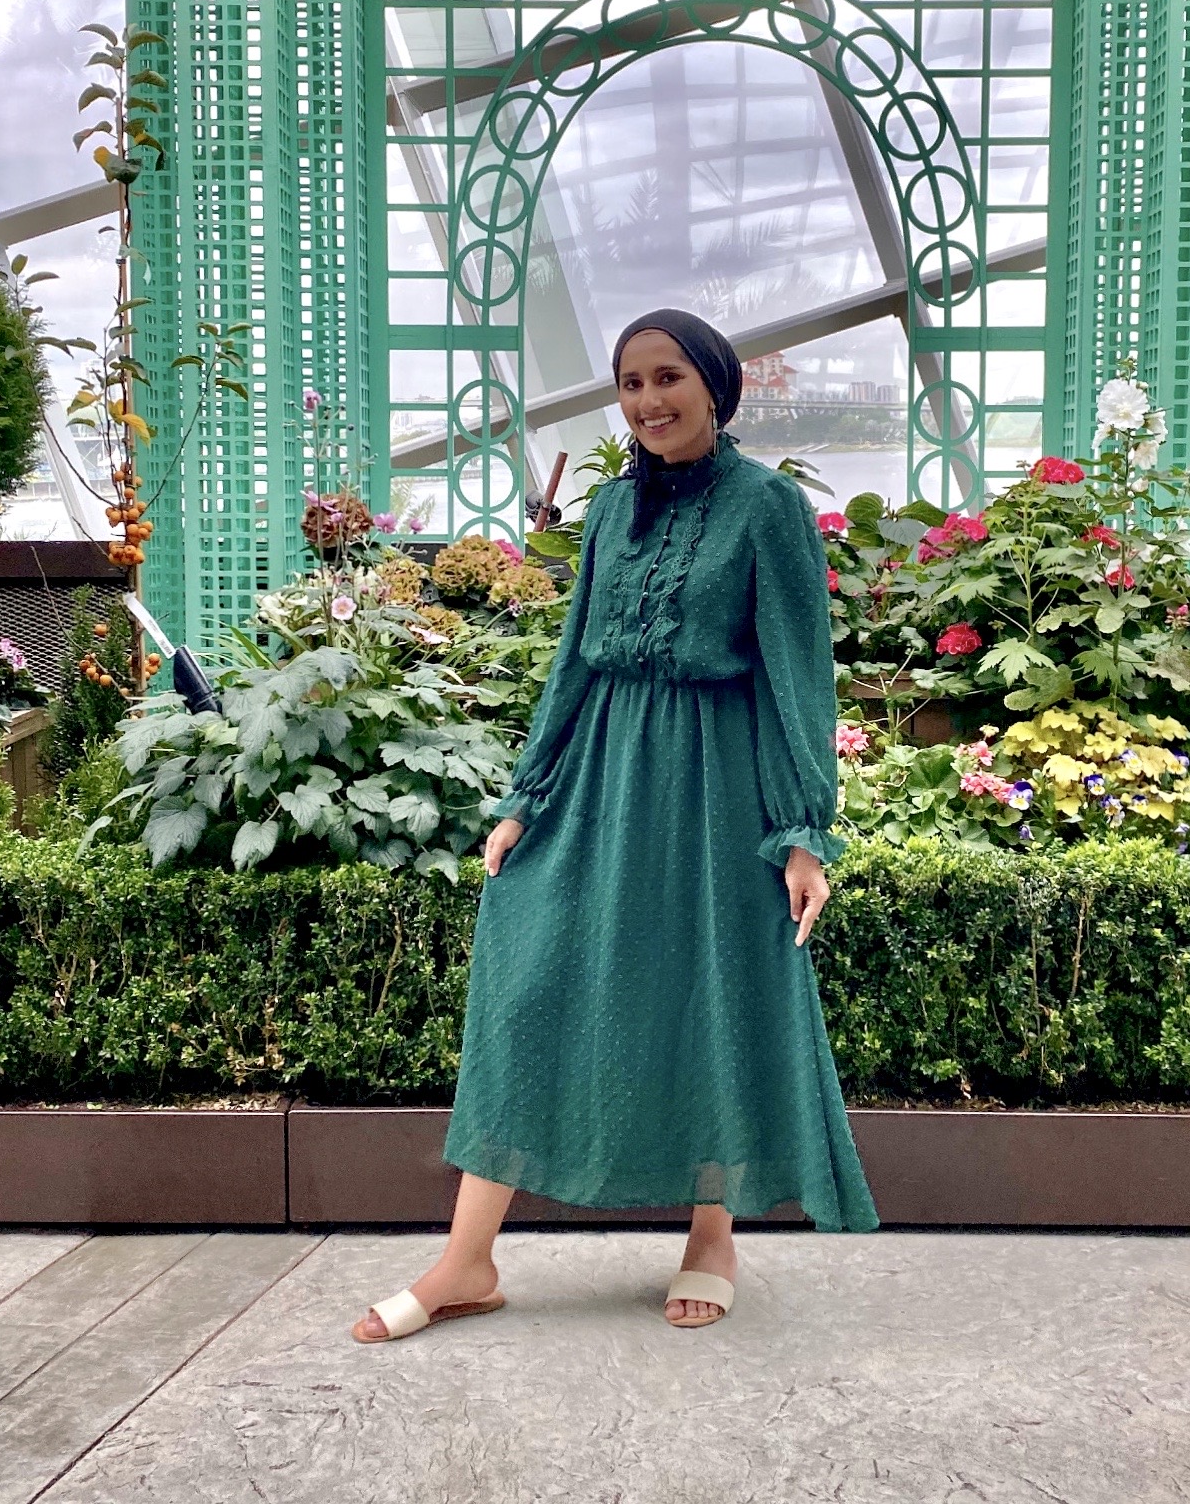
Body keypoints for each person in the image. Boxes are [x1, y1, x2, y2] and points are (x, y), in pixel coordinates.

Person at [352, 308, 878, 1345]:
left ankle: (712, 1235)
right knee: (529, 982)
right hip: (601, 772)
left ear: (716, 385)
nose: (647, 400)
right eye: (630, 382)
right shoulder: (607, 511)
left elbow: (796, 678)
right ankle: (468, 1257)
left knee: (708, 990)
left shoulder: (766, 507)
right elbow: (574, 665)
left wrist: (803, 826)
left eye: (668, 376)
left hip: (717, 785)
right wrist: (525, 796)